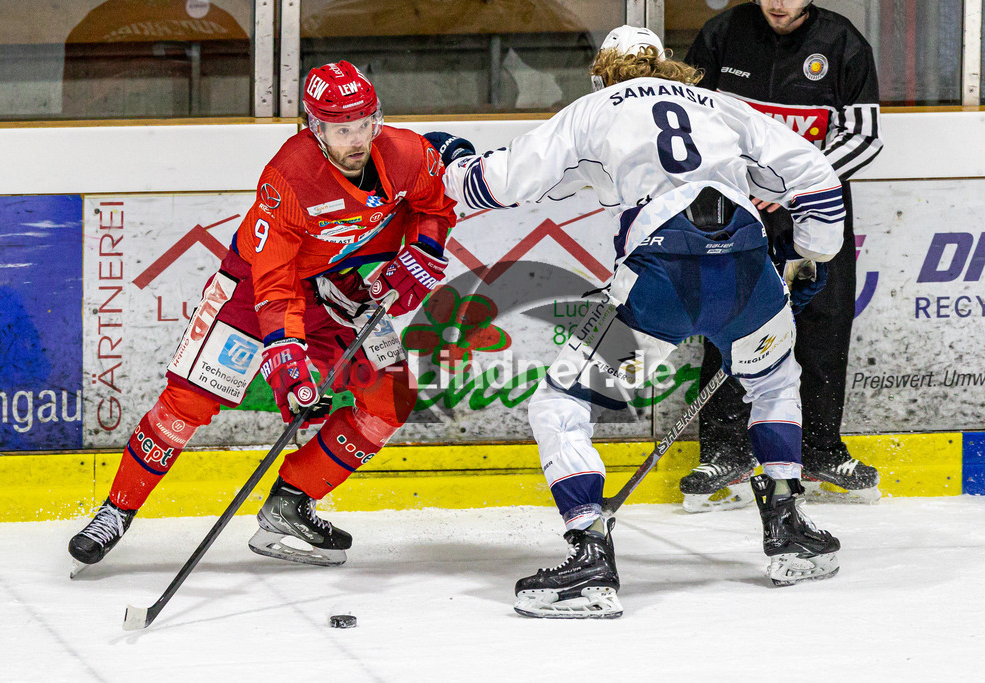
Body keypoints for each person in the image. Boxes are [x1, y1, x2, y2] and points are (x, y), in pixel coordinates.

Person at [431, 25, 844, 618]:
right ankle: (787, 527)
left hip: (660, 286)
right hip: (749, 278)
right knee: (776, 385)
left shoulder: (592, 110)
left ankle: (590, 554)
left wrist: (453, 167)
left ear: (602, 73)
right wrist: (812, 253)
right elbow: (818, 180)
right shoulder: (726, 106)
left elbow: (497, 185)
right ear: (666, 68)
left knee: (560, 405)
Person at [69, 60, 456, 572]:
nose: (357, 138)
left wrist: (426, 247)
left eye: (365, 123)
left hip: (337, 290)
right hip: (253, 292)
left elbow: (436, 202)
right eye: (342, 129)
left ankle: (291, 502)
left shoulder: (406, 152)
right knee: (187, 402)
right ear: (314, 128)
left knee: (390, 396)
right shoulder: (288, 177)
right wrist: (288, 361)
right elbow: (273, 287)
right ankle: (115, 512)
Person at [679, 0, 883, 513]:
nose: (778, 2)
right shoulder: (722, 33)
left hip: (814, 212)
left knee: (822, 324)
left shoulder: (844, 43)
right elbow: (686, 121)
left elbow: (863, 136)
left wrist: (794, 182)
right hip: (736, 211)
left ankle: (819, 448)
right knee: (730, 321)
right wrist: (739, 178)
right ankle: (724, 450)